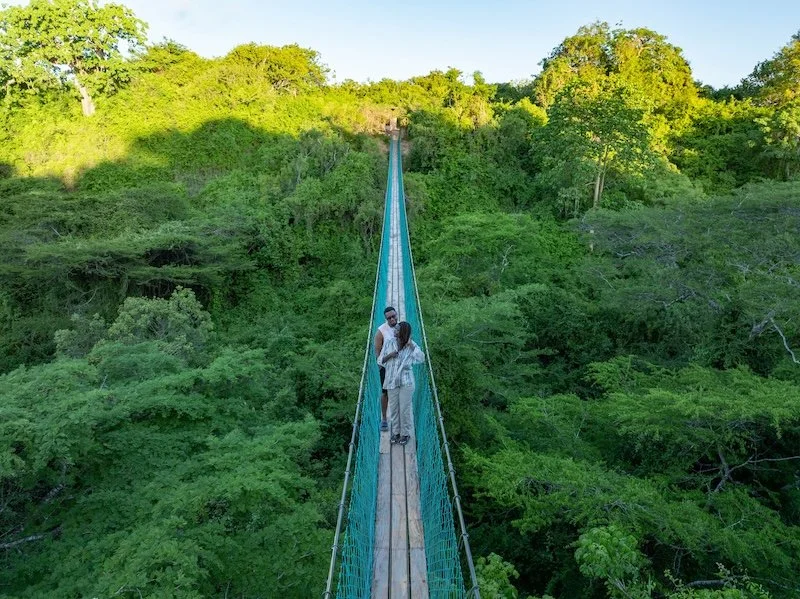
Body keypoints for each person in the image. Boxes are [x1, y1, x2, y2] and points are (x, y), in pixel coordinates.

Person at [380, 321, 424, 445]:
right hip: (391, 381)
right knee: (394, 409)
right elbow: (380, 360)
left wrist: (412, 346)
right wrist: (390, 355)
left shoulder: (412, 345)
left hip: (406, 382)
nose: (394, 331)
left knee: (404, 409)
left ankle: (405, 434)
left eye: (397, 329)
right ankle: (396, 432)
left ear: (403, 332)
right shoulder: (389, 343)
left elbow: (421, 359)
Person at [374, 306, 398, 431]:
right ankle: (384, 419)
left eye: (394, 316)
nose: (392, 319)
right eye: (389, 318)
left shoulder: (402, 327)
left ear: (397, 314)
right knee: (386, 393)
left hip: (400, 366)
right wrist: (380, 367)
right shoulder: (381, 331)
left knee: (399, 392)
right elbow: (377, 352)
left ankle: (397, 419)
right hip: (386, 367)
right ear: (386, 319)